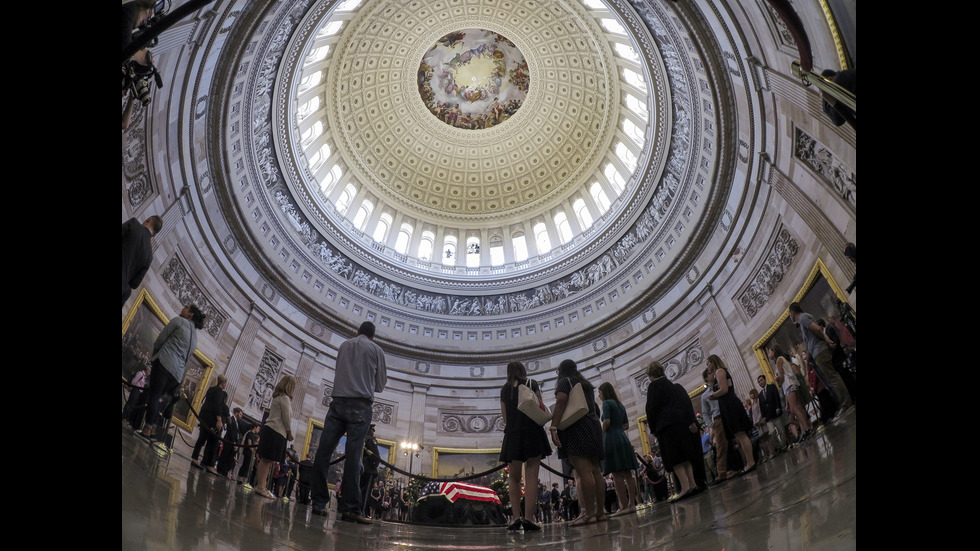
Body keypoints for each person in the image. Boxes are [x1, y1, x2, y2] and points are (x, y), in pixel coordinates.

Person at [310, 321, 388, 524]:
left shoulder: (344, 345)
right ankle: (351, 509)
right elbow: (379, 386)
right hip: (361, 407)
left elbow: (339, 372)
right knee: (354, 457)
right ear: (373, 336)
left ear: (357, 331)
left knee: (323, 453)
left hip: (337, 403)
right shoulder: (376, 350)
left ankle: (318, 503)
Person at [549, 359, 605, 526]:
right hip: (593, 425)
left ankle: (588, 514)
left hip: (576, 427)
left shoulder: (564, 382)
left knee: (583, 470)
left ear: (561, 371)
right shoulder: (585, 384)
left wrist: (553, 426)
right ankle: (600, 512)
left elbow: (561, 401)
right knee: (595, 470)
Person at [137, 305, 205, 441]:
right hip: (177, 374)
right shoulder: (195, 338)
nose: (183, 309)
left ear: (190, 314)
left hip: (164, 363)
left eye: (186, 308)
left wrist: (153, 357)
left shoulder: (179, 321)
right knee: (159, 398)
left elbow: (160, 340)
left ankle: (147, 428)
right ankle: (153, 429)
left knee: (154, 395)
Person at [498, 361, 552, 531]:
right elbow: (540, 406)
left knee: (513, 478)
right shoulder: (531, 383)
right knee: (531, 477)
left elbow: (505, 417)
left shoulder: (505, 389)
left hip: (513, 434)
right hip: (532, 433)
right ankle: (529, 518)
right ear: (523, 371)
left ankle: (515, 518)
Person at [644, 360, 699, 502]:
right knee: (685, 456)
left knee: (675, 458)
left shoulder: (653, 386)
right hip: (680, 423)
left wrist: (653, 428)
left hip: (666, 426)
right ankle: (692, 484)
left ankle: (685, 487)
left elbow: (651, 409)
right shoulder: (670, 384)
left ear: (651, 375)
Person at [788, 302, 853, 415]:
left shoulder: (802, 317)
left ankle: (846, 404)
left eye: (789, 313)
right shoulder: (803, 319)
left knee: (833, 378)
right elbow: (810, 344)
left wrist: (826, 341)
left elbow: (817, 329)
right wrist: (808, 361)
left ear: (793, 312)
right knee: (832, 377)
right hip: (818, 352)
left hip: (820, 352)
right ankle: (845, 403)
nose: (789, 316)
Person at [706, 355, 757, 475]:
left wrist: (712, 396)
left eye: (708, 363)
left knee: (741, 434)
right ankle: (749, 461)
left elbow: (724, 389)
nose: (707, 366)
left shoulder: (719, 371)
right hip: (727, 405)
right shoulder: (718, 373)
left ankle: (750, 462)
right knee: (739, 435)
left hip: (730, 405)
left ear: (713, 362)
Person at [597, 382, 640, 517]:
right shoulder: (620, 405)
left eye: (599, 392)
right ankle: (632, 504)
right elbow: (626, 425)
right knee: (628, 473)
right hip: (622, 437)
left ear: (604, 392)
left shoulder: (607, 403)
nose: (599, 395)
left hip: (612, 439)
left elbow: (607, 421)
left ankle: (623, 506)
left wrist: (601, 434)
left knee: (616, 474)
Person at [253, 375, 296, 500]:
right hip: (276, 431)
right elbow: (286, 418)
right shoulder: (285, 398)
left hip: (273, 430)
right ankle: (261, 486)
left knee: (267, 460)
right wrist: (290, 433)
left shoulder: (279, 397)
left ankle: (261, 485)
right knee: (267, 460)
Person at [701, 367, 735, 483]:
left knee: (732, 441)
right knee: (720, 446)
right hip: (718, 418)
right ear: (706, 378)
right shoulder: (704, 396)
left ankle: (735, 466)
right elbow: (705, 413)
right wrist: (712, 425)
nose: (712, 375)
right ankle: (721, 472)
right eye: (710, 373)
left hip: (727, 414)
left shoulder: (719, 387)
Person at [191, 374, 230, 475]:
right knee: (214, 442)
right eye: (226, 383)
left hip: (205, 416)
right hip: (212, 418)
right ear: (223, 383)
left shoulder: (211, 389)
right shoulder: (219, 392)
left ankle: (195, 458)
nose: (226, 385)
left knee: (202, 438)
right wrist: (219, 420)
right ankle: (209, 465)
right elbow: (217, 406)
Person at [122, 216, 163, 306]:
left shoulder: (133, 224)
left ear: (148, 219)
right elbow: (134, 284)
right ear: (154, 235)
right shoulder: (149, 256)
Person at [757, 374, 785, 454]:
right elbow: (761, 406)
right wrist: (763, 416)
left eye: (761, 380)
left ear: (765, 380)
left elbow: (777, 397)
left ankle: (783, 446)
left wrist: (778, 407)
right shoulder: (760, 395)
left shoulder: (772, 387)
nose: (760, 383)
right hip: (768, 417)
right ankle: (779, 446)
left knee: (781, 430)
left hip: (776, 412)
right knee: (772, 433)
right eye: (759, 382)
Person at [359, 424, 381, 516]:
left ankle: (356, 510)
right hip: (369, 469)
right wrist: (375, 465)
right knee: (366, 492)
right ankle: (362, 512)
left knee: (359, 490)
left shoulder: (361, 438)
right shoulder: (371, 440)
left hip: (360, 468)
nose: (373, 432)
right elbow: (376, 456)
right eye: (372, 430)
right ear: (369, 430)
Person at [217, 407, 245, 477]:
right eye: (240, 414)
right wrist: (234, 442)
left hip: (233, 443)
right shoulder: (231, 419)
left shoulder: (237, 422)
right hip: (229, 441)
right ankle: (219, 469)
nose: (241, 416)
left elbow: (237, 434)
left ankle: (224, 471)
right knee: (224, 455)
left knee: (229, 458)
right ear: (236, 413)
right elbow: (231, 431)